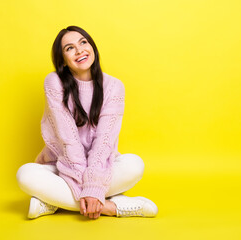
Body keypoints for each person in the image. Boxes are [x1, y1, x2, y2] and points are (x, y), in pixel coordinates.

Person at [16, 25, 158, 220]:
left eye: (83, 42)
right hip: (62, 165)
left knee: (134, 165)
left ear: (93, 47)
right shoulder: (54, 82)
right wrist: (91, 189)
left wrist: (93, 184)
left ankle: (53, 201)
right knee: (25, 175)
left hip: (100, 166)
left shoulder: (114, 86)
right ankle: (111, 206)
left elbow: (105, 141)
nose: (80, 50)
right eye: (69, 48)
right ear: (63, 60)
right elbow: (68, 140)